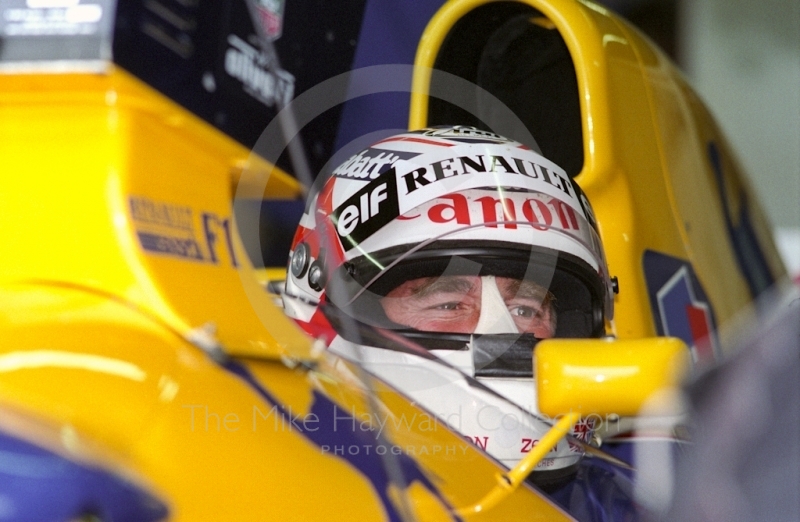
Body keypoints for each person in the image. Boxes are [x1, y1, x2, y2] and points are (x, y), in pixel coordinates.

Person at [282, 125, 617, 480]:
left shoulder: (633, 496)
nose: (500, 332)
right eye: (447, 304)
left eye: (525, 309)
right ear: (316, 300)